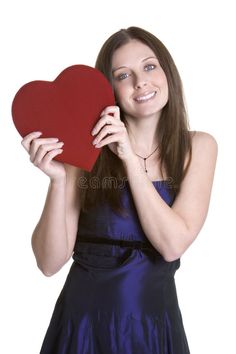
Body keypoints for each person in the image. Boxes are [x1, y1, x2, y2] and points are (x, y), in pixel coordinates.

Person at [21, 26, 217, 353]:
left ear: (168, 71)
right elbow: (48, 262)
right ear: (109, 90)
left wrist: (127, 156)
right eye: (123, 75)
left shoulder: (198, 147)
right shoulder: (84, 152)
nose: (141, 81)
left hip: (153, 329)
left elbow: (172, 245)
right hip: (81, 328)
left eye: (150, 66)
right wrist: (58, 180)